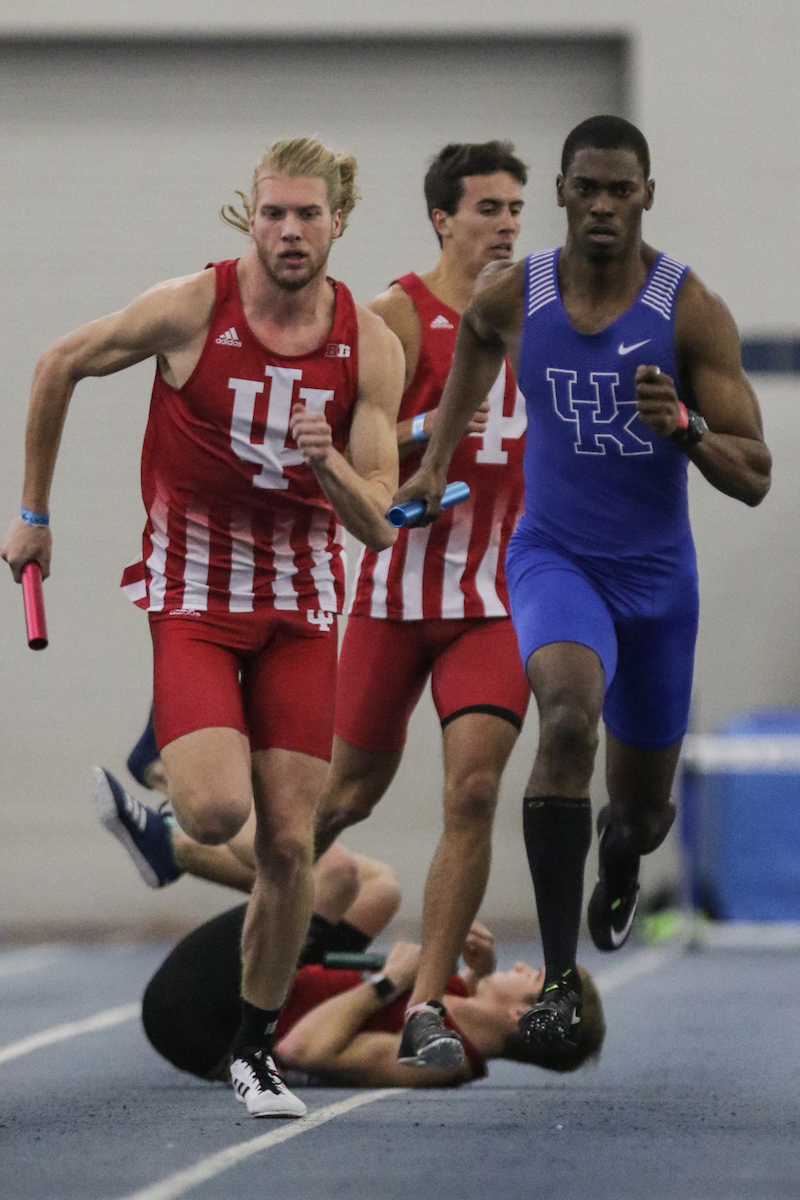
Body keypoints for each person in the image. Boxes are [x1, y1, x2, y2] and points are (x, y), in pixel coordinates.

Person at [1, 137, 405, 1119]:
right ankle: (173, 814)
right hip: (195, 597)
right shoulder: (194, 306)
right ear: (249, 217)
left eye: (308, 214)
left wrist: (328, 468)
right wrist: (35, 515)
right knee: (222, 815)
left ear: (337, 222)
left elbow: (377, 519)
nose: (289, 231)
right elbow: (61, 362)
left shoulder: (372, 344)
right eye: (272, 213)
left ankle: (251, 1047)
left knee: (292, 844)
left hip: (303, 610)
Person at [392, 115, 772, 1057]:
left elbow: (757, 473)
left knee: (642, 812)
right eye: (587, 188)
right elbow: (476, 343)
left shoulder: (690, 311)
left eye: (622, 190)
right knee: (563, 717)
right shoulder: (515, 292)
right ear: (561, 193)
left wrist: (682, 426)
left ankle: (621, 853)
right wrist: (436, 462)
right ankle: (559, 981)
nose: (603, 206)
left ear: (647, 195)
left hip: (656, 583)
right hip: (553, 557)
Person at [312, 142, 531, 1071]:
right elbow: (326, 449)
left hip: (495, 599)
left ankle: (429, 1006)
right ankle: (259, 938)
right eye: (489, 209)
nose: (509, 225)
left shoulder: (542, 318)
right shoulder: (391, 319)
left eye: (518, 209)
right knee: (339, 800)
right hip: (394, 594)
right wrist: (421, 429)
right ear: (443, 219)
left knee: (473, 789)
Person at [141, 893, 605, 1091]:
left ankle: (176, 847)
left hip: (212, 1023)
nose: (520, 964)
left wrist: (389, 983)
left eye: (534, 975)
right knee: (378, 888)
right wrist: (477, 969)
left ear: (523, 1017)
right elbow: (471, 994)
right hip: (259, 985)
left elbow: (303, 1049)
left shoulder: (445, 1061)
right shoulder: (455, 994)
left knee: (332, 873)